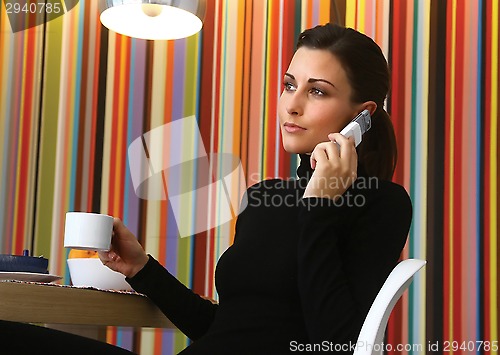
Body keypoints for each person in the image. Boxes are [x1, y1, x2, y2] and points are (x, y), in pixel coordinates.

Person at [0, 23, 411, 354]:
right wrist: (143, 270)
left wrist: (320, 206)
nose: (292, 104)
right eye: (289, 85)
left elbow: (336, 342)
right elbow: (227, 328)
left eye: (317, 91)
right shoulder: (266, 195)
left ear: (362, 116)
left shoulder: (381, 204)